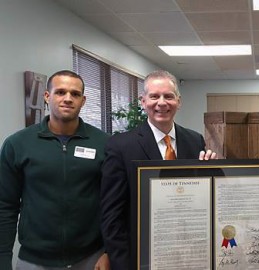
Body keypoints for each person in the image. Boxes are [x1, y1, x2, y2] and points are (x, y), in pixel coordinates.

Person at [100, 69, 216, 269]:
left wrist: (213, 171)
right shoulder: (120, 146)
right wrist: (122, 263)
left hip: (189, 253)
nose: (162, 102)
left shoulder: (194, 140)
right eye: (154, 96)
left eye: (168, 96)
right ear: (143, 101)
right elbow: (112, 214)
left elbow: (200, 198)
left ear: (179, 102)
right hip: (142, 254)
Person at [0, 70, 110, 269]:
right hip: (34, 260)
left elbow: (115, 203)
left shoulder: (104, 144)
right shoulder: (18, 144)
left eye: (75, 94)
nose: (68, 98)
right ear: (47, 96)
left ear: (83, 101)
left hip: (91, 257)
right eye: (60, 92)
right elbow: (5, 206)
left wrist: (110, 251)